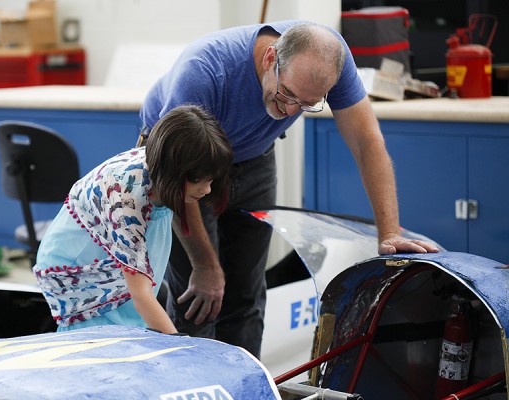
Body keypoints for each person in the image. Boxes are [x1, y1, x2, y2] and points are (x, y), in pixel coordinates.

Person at [139, 20, 440, 357]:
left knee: (247, 296)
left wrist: (389, 232)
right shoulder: (204, 71)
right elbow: (177, 175)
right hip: (180, 163)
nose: (290, 110)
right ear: (271, 58)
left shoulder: (329, 61)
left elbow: (367, 142)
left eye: (307, 104)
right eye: (287, 95)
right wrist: (205, 265)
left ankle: (245, 389)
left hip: (254, 157)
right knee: (199, 297)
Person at [33, 105, 233, 334]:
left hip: (115, 250)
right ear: (172, 171)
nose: (207, 189)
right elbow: (141, 295)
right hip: (80, 263)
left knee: (133, 319)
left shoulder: (162, 171)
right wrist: (179, 345)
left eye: (210, 180)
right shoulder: (126, 198)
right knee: (102, 339)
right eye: (199, 179)